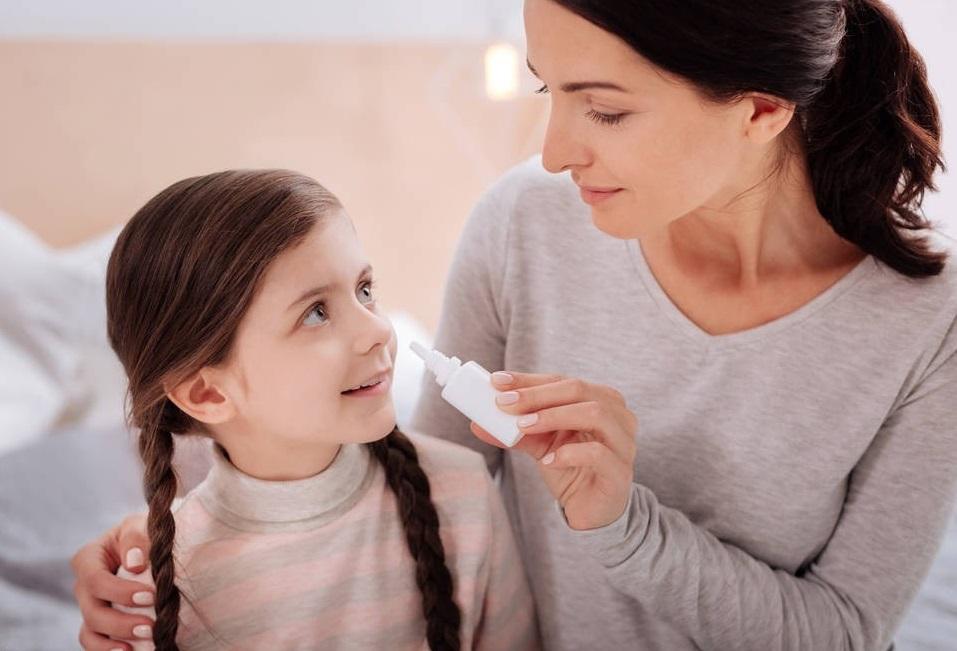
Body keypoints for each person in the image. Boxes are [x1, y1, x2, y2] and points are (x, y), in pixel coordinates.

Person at [74, 1, 957, 649]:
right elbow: (407, 478)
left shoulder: (926, 319)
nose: (554, 151)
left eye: (604, 108)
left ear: (760, 110)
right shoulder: (528, 220)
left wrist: (623, 524)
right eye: (550, 90)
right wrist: (182, 517)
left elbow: (844, 631)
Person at [84, 169, 538, 650]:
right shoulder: (163, 587)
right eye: (316, 312)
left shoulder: (463, 493)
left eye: (365, 290)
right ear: (207, 394)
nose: (378, 330)